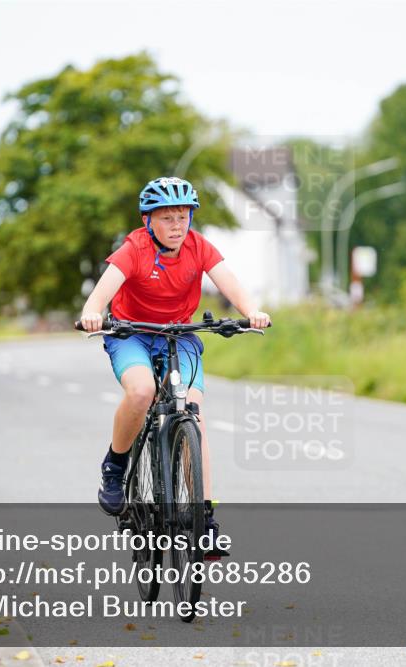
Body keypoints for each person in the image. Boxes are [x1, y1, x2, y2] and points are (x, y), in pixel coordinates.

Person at [79, 176, 271, 558]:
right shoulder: (134, 248)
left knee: (192, 416)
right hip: (131, 333)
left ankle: (205, 522)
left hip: (180, 335)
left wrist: (251, 312)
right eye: (167, 218)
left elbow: (228, 282)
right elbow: (102, 292)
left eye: (182, 216)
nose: (177, 225)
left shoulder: (199, 248)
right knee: (142, 392)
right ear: (148, 220)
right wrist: (92, 313)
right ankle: (116, 465)